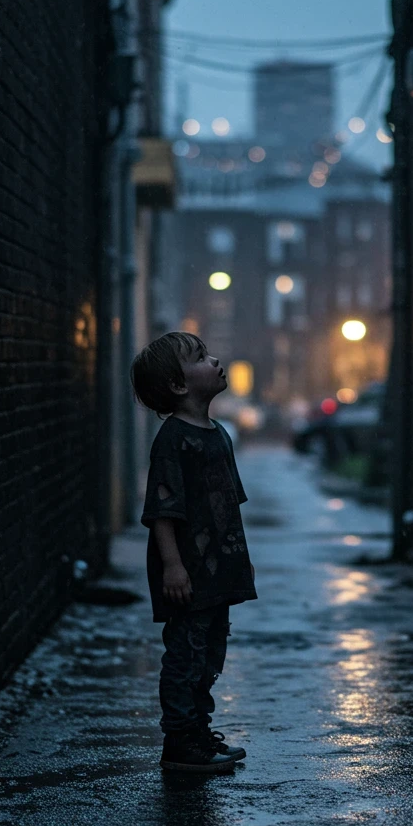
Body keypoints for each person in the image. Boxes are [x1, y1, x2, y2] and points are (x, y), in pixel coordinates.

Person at [130, 331, 258, 772]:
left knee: (209, 654)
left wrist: (239, 558)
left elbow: (227, 505)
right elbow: (162, 512)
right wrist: (173, 566)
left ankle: (199, 731)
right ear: (178, 385)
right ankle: (180, 742)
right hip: (187, 571)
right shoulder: (173, 439)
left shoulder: (219, 434)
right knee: (185, 654)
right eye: (201, 357)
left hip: (218, 568)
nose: (215, 360)